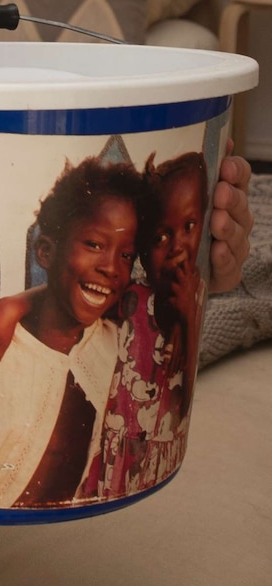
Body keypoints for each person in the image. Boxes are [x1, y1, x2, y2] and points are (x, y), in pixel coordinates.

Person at [0, 158, 146, 509]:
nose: (111, 267)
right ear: (46, 253)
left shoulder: (115, 346)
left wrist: (15, 302)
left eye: (126, 255)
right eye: (94, 245)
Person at [82, 152, 210, 499]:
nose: (178, 249)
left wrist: (187, 316)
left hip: (161, 453)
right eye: (160, 238)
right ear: (140, 250)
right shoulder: (133, 298)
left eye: (189, 226)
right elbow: (78, 307)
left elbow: (183, 397)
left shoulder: (197, 296)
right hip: (116, 451)